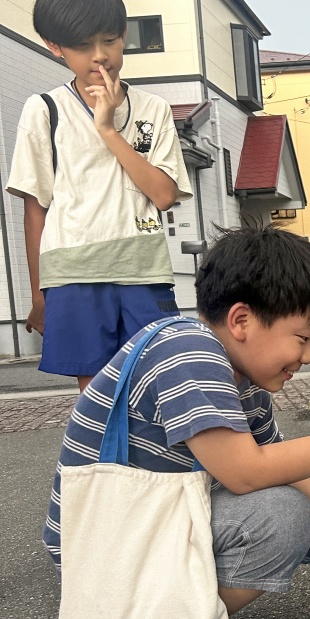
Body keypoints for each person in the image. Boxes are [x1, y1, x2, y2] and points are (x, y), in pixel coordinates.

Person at [43, 222, 310, 614]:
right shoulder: (187, 350)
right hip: (102, 547)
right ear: (241, 321)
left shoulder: (243, 379)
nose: (308, 356)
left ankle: (173, 615)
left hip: (150, 521)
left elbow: (275, 456)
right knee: (283, 514)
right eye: (302, 338)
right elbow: (245, 473)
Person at [5, 0, 193, 392]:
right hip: (73, 275)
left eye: (109, 40)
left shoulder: (154, 109)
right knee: (97, 396)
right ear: (54, 46)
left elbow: (163, 196)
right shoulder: (45, 110)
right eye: (82, 46)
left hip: (144, 271)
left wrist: (107, 129)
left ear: (124, 34)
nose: (99, 56)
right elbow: (35, 211)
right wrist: (39, 296)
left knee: (158, 384)